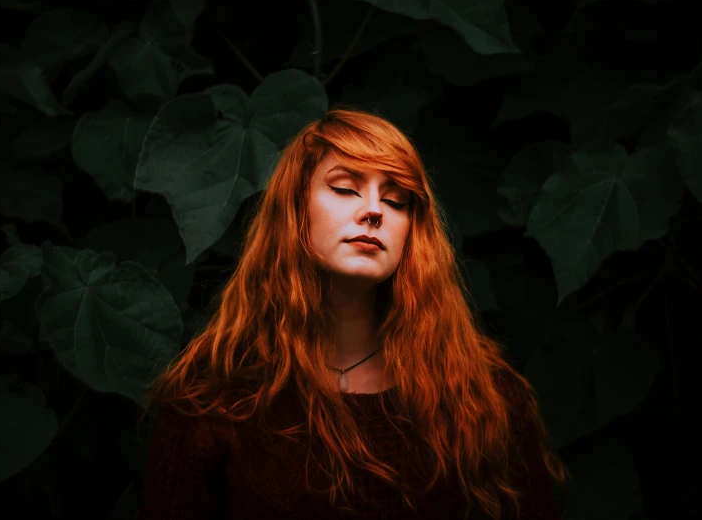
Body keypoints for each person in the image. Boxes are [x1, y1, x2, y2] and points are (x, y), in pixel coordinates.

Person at [135, 107, 570, 519]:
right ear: (295, 209)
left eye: (397, 200)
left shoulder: (482, 397)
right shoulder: (212, 400)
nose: (375, 210)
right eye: (345, 188)